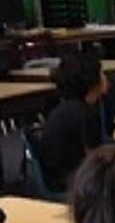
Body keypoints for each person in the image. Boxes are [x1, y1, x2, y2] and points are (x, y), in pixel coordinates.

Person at [40, 52, 109, 192]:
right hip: (74, 180)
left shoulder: (65, 109)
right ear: (92, 81)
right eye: (102, 73)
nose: (106, 78)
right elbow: (94, 160)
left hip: (58, 176)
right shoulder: (85, 114)